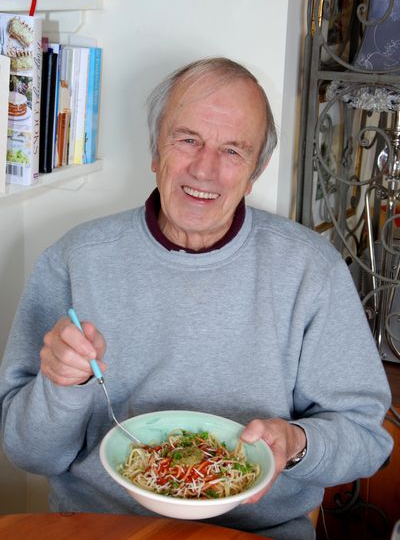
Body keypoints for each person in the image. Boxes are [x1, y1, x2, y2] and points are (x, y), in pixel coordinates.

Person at [0, 57, 393, 540]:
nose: (205, 170)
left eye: (233, 150)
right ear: (154, 149)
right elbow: (28, 452)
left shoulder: (311, 269)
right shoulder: (75, 259)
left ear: (257, 169)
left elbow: (367, 439)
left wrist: (297, 443)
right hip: (101, 526)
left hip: (255, 531)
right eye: (187, 139)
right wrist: (61, 387)